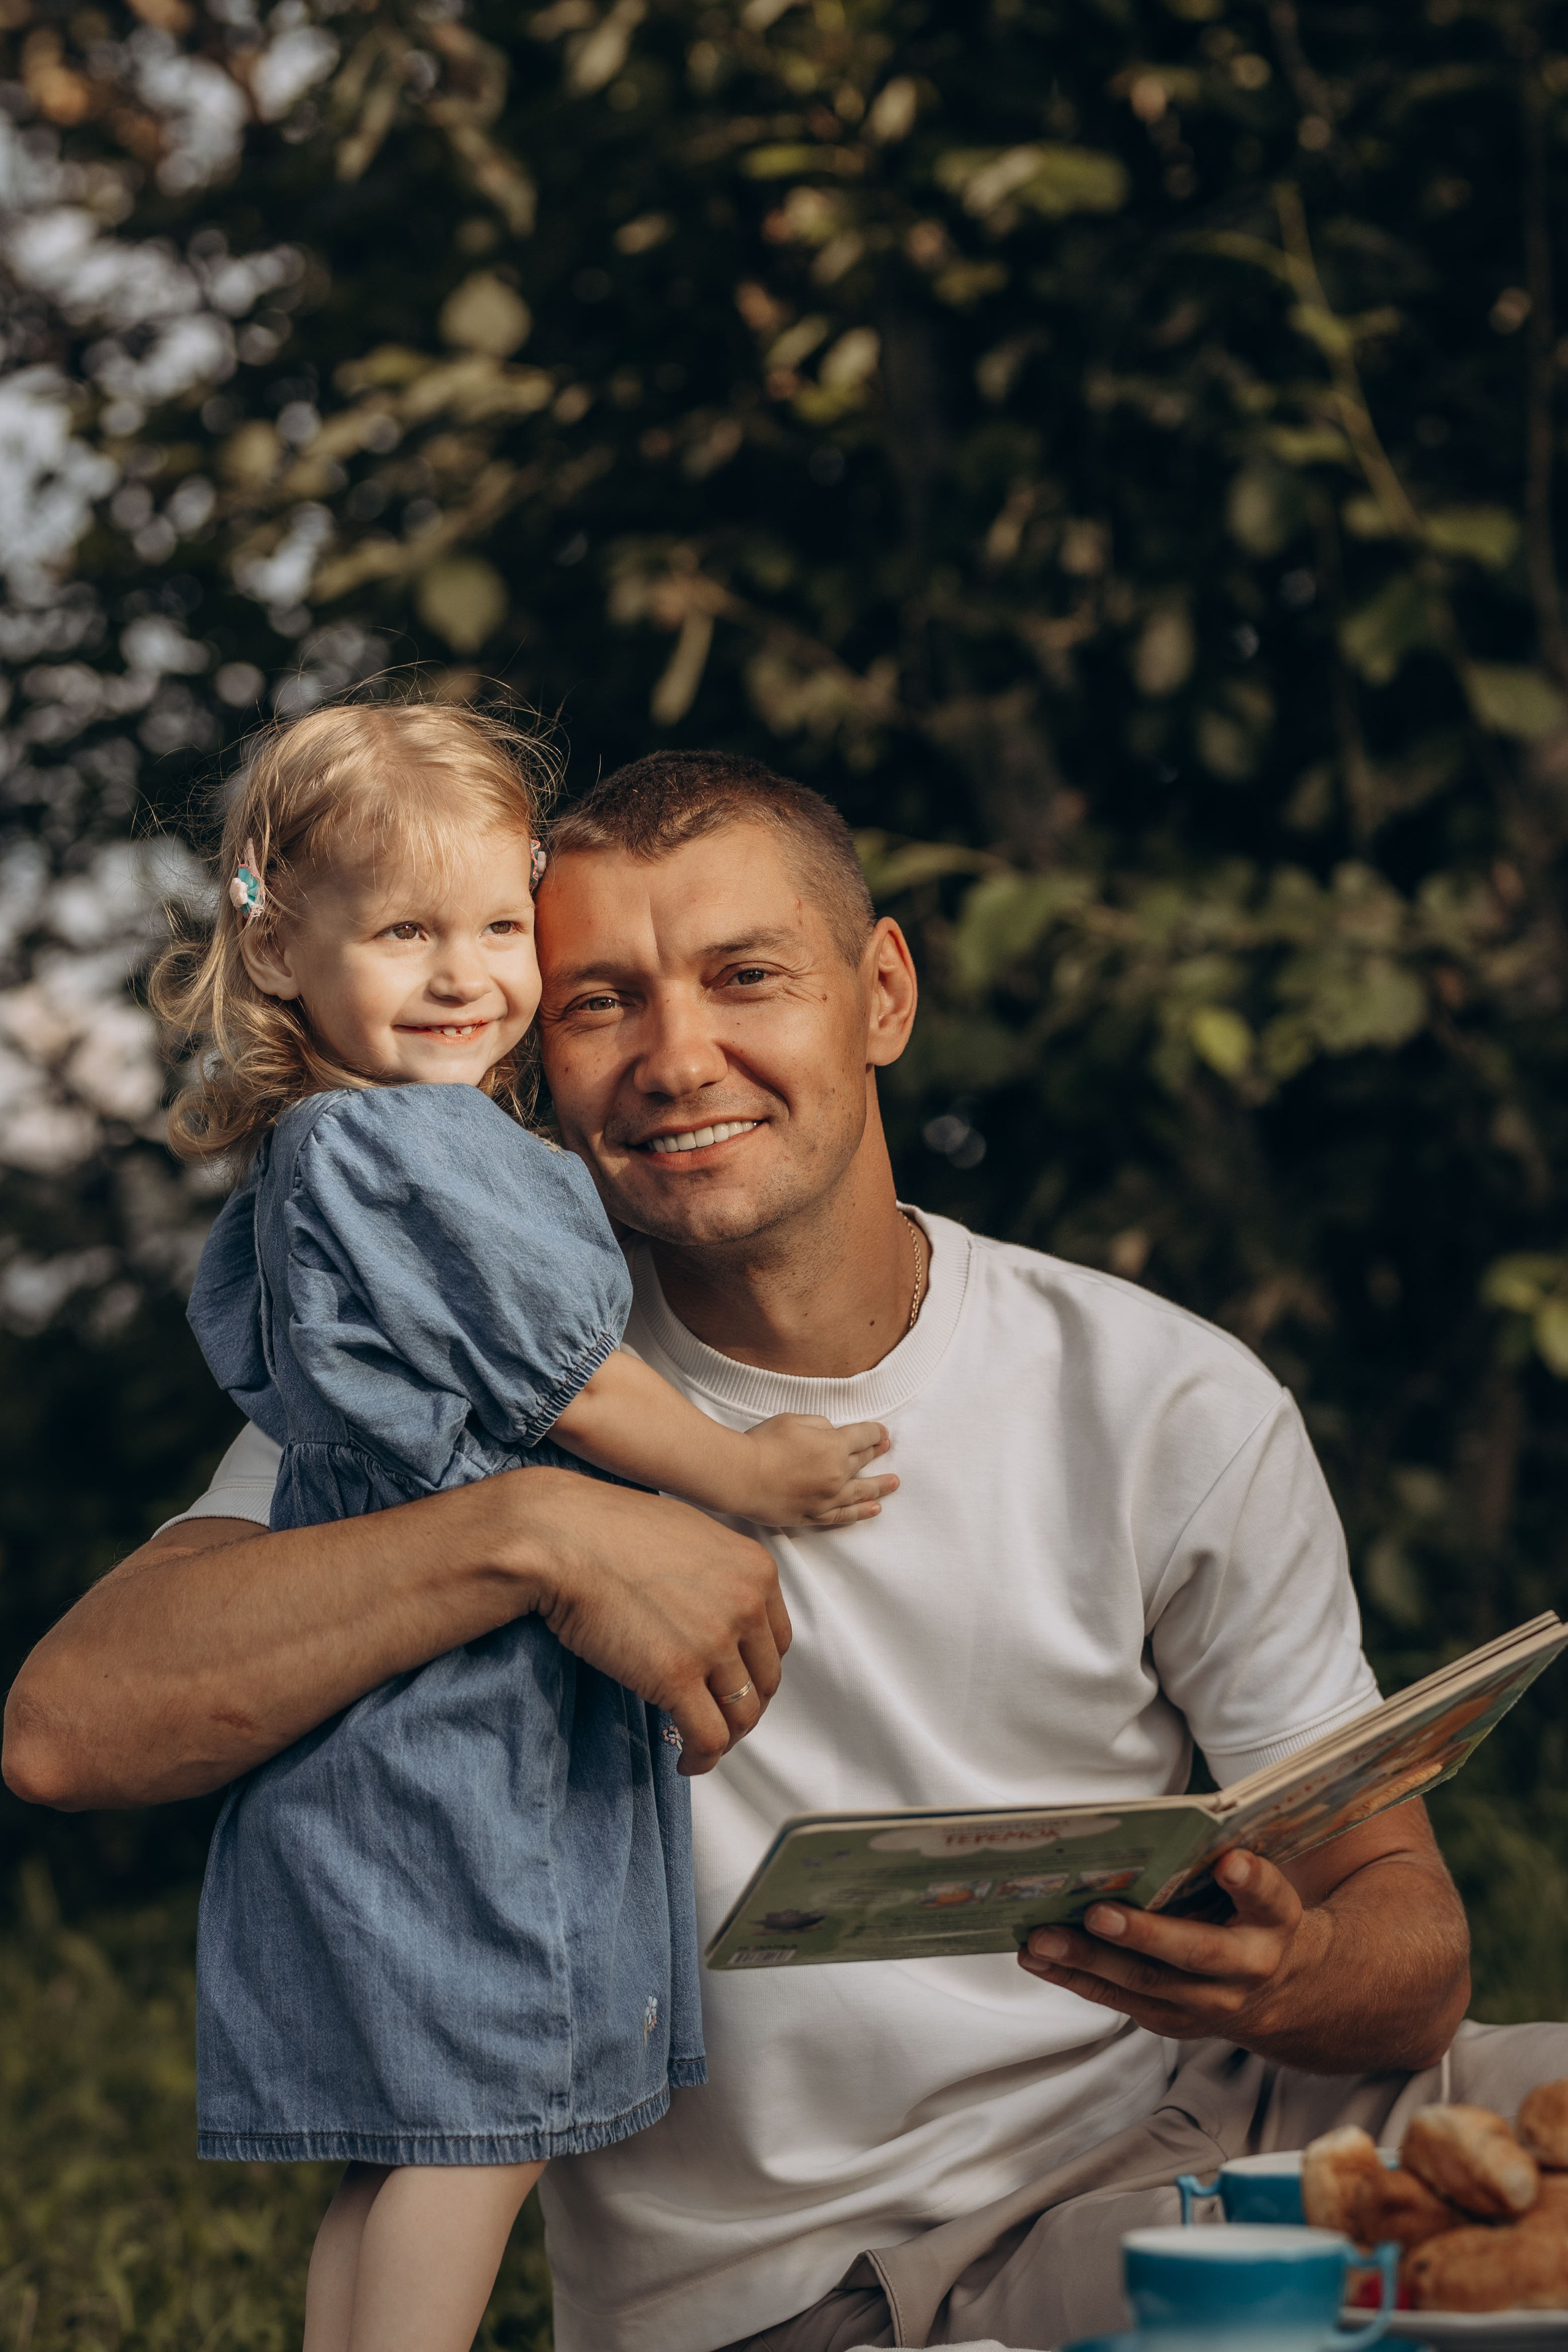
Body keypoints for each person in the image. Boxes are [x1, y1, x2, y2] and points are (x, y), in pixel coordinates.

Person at [8, 748, 1566, 2352]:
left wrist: (1285, 1974)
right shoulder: (438, 1387)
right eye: (601, 1001)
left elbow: (1413, 1947)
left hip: (1221, 2125)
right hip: (845, 2294)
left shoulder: (1163, 1396)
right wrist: (538, 1532)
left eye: (746, 978)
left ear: (881, 994)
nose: (680, 1058)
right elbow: (69, 1728)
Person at [146, 704, 892, 2352]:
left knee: (401, 2149)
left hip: (373, 1707)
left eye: (498, 927)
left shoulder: (306, 1155)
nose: (467, 974)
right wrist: (743, 1472)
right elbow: (576, 1377)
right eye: (407, 931)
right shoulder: (422, 1145)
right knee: (482, 2139)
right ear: (279, 946)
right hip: (471, 1718)